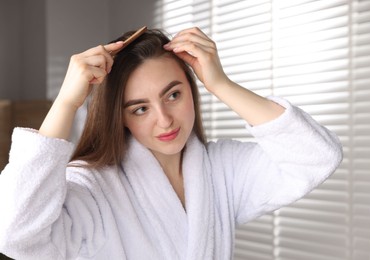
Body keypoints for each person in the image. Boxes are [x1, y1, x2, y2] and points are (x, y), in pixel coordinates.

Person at [0, 27, 342, 260]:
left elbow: (315, 157)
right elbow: (15, 234)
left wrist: (221, 84)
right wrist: (65, 104)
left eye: (173, 95)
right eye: (140, 108)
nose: (164, 120)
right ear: (120, 116)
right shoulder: (92, 186)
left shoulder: (220, 170)